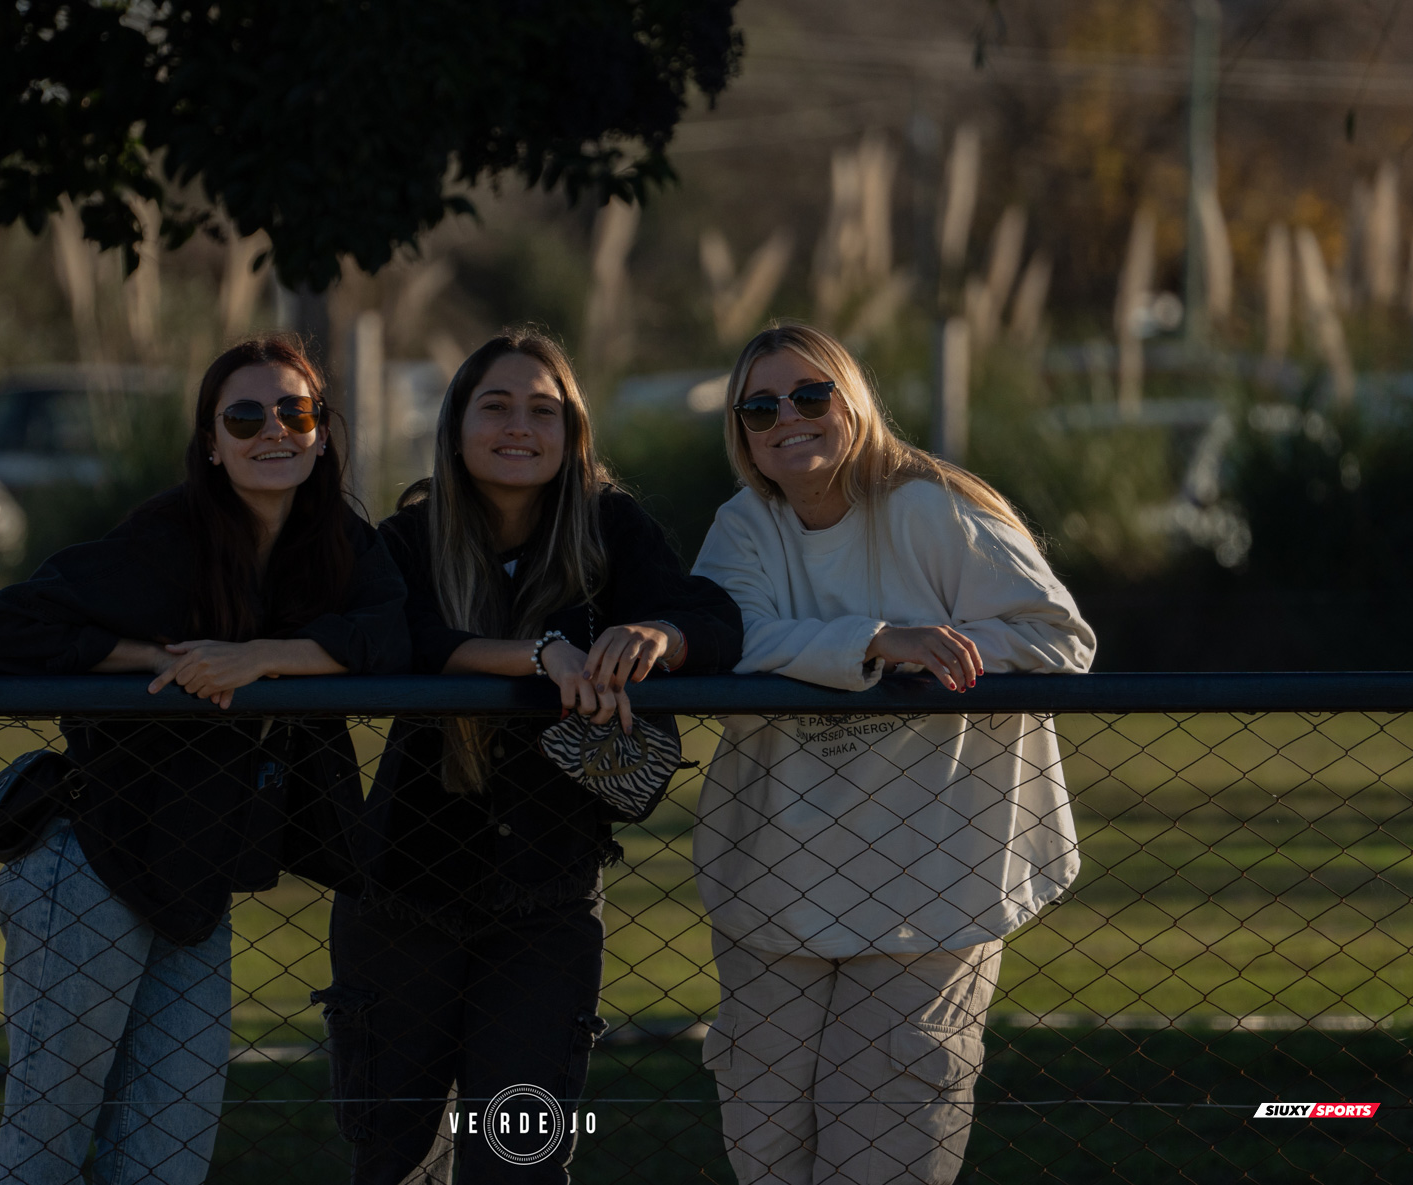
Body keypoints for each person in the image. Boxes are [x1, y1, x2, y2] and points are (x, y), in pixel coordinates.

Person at [0, 336, 408, 1185]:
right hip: (90, 864)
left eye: (295, 412)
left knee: (168, 1158)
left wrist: (263, 656)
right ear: (211, 441)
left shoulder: (335, 540)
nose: (273, 430)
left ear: (320, 431)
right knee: (46, 1145)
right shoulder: (166, 538)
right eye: (245, 416)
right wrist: (151, 655)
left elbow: (395, 636)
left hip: (198, 879)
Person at [316, 330, 743, 1184]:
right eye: (497, 405)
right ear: (458, 424)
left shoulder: (608, 528)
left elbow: (715, 620)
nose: (521, 426)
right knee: (392, 1158)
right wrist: (539, 653)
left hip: (546, 903)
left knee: (519, 1157)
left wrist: (656, 633)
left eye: (543, 410)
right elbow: (406, 640)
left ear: (572, 429)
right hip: (403, 891)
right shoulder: (408, 537)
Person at [690, 322, 1096, 1185]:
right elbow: (728, 637)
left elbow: (1057, 636)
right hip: (775, 890)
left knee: (881, 1152)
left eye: (811, 395)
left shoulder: (931, 506)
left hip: (929, 888)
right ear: (741, 431)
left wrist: (941, 645)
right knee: (766, 1154)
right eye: (760, 407)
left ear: (855, 399)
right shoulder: (744, 527)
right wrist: (879, 640)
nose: (787, 419)